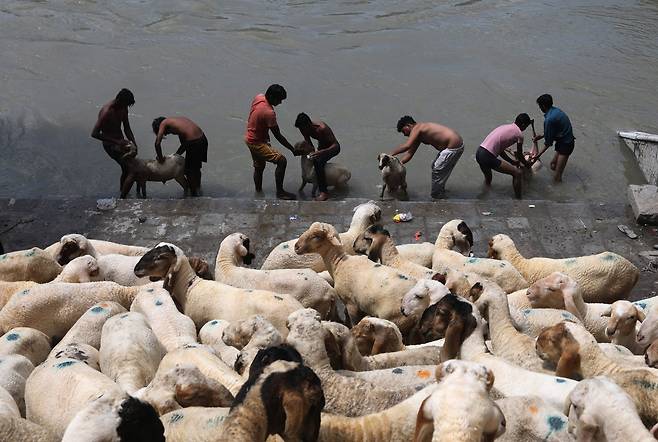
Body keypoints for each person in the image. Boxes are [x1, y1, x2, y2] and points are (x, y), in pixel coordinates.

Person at [244, 84, 298, 200]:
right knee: (282, 161)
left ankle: (258, 193)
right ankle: (280, 192)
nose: (280, 103)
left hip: (249, 137)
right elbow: (278, 135)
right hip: (257, 142)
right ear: (272, 97)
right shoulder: (269, 113)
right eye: (279, 100)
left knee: (259, 167)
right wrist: (292, 149)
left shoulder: (259, 97)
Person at [392, 116, 464, 199]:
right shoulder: (418, 135)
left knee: (437, 168)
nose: (404, 134)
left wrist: (390, 155)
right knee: (436, 167)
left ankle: (437, 196)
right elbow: (409, 154)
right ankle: (440, 192)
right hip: (454, 146)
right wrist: (397, 165)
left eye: (403, 131)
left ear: (409, 125)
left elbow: (407, 146)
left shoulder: (417, 127)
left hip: (453, 147)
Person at [91, 88, 138, 193]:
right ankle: (123, 199)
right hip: (110, 144)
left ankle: (123, 192)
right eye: (125, 104)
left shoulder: (123, 108)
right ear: (119, 100)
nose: (126, 107)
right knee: (132, 169)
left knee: (127, 169)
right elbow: (94, 133)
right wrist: (117, 142)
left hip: (121, 142)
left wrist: (133, 142)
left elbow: (127, 127)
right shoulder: (106, 112)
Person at [476, 113, 532, 199]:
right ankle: (519, 200)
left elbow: (500, 150)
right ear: (523, 124)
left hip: (479, 152)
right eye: (526, 127)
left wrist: (512, 161)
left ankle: (483, 197)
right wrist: (527, 164)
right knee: (517, 173)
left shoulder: (504, 127)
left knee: (488, 179)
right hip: (487, 156)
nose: (525, 129)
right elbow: (520, 155)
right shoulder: (519, 134)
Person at [152, 116, 207, 197]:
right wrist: (175, 156)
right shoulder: (177, 122)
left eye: (165, 132)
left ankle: (193, 195)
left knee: (189, 171)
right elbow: (184, 145)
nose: (166, 134)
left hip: (194, 142)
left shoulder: (163, 123)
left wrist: (161, 159)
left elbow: (157, 144)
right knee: (196, 169)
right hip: (202, 139)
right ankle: (198, 190)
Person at [294, 113, 340, 201]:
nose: (302, 131)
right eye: (300, 129)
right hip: (321, 146)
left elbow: (335, 145)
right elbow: (309, 144)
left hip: (332, 148)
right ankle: (319, 180)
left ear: (309, 124)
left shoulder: (322, 128)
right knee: (313, 159)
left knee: (318, 163)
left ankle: (324, 192)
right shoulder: (303, 128)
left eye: (303, 128)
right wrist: (304, 152)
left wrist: (322, 152)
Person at [532, 94, 575, 182]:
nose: (540, 108)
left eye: (540, 106)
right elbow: (554, 130)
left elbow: (548, 143)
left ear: (543, 106)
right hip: (562, 140)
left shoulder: (549, 119)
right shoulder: (555, 111)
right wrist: (540, 136)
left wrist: (538, 155)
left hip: (566, 144)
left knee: (557, 176)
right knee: (552, 165)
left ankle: (560, 191)